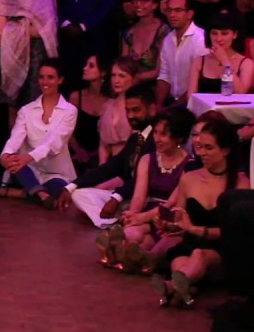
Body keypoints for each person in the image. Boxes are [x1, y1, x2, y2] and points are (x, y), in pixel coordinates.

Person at [154, 117, 249, 308]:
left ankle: (171, 286)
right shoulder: (189, 178)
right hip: (189, 243)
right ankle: (182, 290)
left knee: (199, 255)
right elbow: (181, 218)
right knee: (180, 262)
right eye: (200, 147)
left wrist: (196, 230)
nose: (202, 153)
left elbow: (237, 234)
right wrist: (168, 223)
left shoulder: (242, 183)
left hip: (221, 250)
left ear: (226, 150)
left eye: (209, 148)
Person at [56, 80, 159, 227]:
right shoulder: (136, 138)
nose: (130, 116)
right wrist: (71, 186)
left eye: (136, 110)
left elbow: (144, 179)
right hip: (126, 196)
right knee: (78, 194)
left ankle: (114, 223)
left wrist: (117, 197)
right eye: (128, 111)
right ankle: (113, 223)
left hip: (145, 198)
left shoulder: (158, 139)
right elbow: (110, 167)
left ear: (152, 109)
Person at [109, 108, 194, 273]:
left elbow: (172, 202)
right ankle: (132, 257)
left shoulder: (189, 165)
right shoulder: (147, 159)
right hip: (148, 211)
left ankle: (127, 256)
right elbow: (140, 195)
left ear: (179, 137)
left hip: (169, 215)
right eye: (155, 133)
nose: (157, 138)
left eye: (163, 134)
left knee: (139, 237)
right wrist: (133, 214)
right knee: (133, 234)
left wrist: (141, 218)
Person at [0, 59, 77, 208]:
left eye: (50, 77)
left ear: (60, 80)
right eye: (41, 77)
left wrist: (27, 157)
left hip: (55, 172)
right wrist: (5, 155)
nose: (44, 81)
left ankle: (29, 193)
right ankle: (41, 194)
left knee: (60, 191)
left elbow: (54, 143)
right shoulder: (26, 110)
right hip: (28, 168)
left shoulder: (70, 111)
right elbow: (16, 137)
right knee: (16, 165)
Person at [0, 0, 59, 122]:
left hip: (36, 51)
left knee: (33, 101)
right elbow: (1, 28)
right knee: (12, 103)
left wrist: (17, 27)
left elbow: (47, 30)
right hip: (11, 51)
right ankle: (12, 145)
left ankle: (32, 145)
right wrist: (25, 27)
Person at [156, 0, 208, 106]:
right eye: (169, 10)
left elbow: (199, 82)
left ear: (189, 14)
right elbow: (164, 75)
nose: (172, 15)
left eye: (178, 10)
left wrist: (171, 109)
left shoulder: (200, 39)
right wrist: (158, 105)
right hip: (171, 101)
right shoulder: (168, 39)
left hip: (194, 102)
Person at [187, 9, 252, 95]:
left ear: (235, 34)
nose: (218, 39)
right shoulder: (199, 62)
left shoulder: (246, 63)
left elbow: (241, 93)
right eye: (214, 33)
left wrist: (225, 61)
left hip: (232, 108)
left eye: (224, 33)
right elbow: (190, 97)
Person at [67, 55, 110, 171]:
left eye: (91, 66)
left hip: (101, 155)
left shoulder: (111, 100)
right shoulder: (76, 97)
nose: (85, 68)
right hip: (76, 154)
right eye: (85, 65)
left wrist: (94, 154)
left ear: (103, 72)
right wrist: (78, 151)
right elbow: (68, 128)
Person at [121, 0, 170, 83]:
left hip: (155, 86)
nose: (139, 4)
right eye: (136, 0)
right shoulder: (128, 32)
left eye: (144, 1)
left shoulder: (163, 31)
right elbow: (123, 65)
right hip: (130, 84)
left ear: (154, 5)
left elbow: (160, 70)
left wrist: (136, 78)